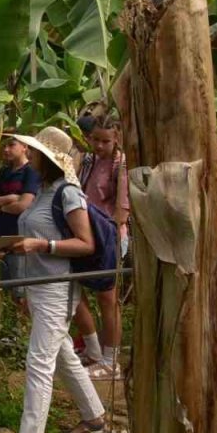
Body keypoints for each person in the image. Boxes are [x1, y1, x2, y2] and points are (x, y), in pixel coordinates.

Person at [0, 127, 107, 433]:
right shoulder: (44, 190)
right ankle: (96, 419)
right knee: (61, 357)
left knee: (39, 362)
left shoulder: (67, 192)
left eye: (34, 152)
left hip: (57, 286)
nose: (28, 156)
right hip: (38, 284)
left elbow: (85, 243)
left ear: (49, 159)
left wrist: (42, 245)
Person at [72, 115, 129, 380]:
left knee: (108, 298)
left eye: (105, 141)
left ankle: (111, 361)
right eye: (95, 139)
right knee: (75, 289)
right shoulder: (87, 161)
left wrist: (114, 239)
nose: (99, 145)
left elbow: (121, 210)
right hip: (86, 234)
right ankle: (93, 350)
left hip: (109, 234)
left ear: (117, 138)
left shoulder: (121, 165)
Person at [0, 135, 42, 297]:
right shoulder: (3, 171)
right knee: (6, 288)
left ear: (24, 147)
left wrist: (0, 207)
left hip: (21, 236)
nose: (6, 149)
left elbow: (24, 205)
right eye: (4, 146)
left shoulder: (31, 171)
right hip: (2, 236)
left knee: (20, 292)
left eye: (11, 145)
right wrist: (10, 198)